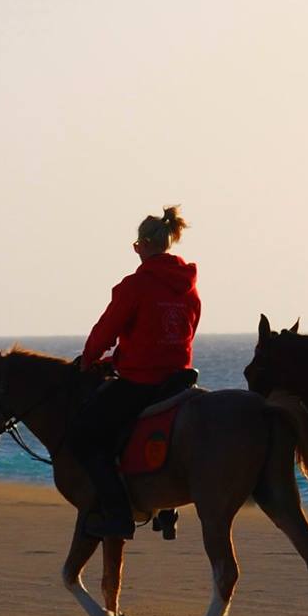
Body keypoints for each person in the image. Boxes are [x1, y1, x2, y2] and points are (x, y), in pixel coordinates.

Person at [69, 206, 201, 539]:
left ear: (142, 244)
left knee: (84, 437)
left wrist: (89, 360)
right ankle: (167, 508)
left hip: (143, 380)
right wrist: (119, 359)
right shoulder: (188, 286)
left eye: (136, 245)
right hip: (179, 377)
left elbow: (105, 331)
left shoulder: (135, 285)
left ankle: (117, 516)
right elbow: (186, 330)